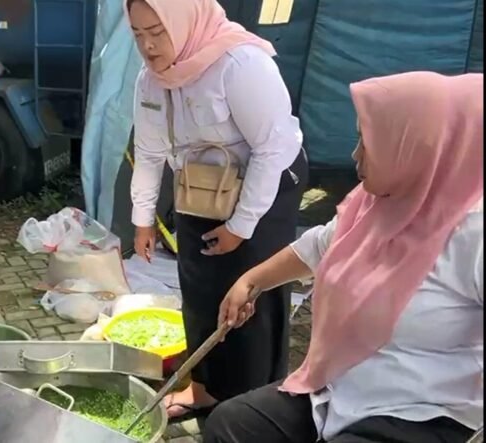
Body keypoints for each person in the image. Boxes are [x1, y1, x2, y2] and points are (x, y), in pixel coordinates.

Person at [205, 71, 483, 443]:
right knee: (231, 425)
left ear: (416, 146)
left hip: (422, 413)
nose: (355, 155)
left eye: (368, 142)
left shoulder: (473, 233)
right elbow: (320, 245)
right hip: (340, 387)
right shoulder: (376, 203)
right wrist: (251, 281)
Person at [127, 0, 307, 418]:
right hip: (199, 187)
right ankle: (205, 388)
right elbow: (149, 151)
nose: (148, 46)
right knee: (199, 288)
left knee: (253, 292)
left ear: (184, 20)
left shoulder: (240, 64)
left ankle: (256, 401)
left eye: (157, 32)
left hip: (266, 183)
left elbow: (272, 149)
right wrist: (142, 221)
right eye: (138, 35)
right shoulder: (150, 81)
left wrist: (241, 226)